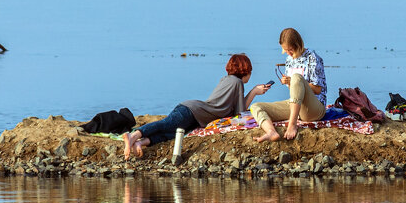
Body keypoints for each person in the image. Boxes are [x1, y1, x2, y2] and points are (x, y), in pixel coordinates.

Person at [123, 54, 270, 159]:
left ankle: (140, 142)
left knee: (171, 134)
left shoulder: (226, 79)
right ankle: (134, 135)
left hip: (195, 116)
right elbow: (240, 113)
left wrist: (253, 92)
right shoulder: (237, 83)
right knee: (166, 124)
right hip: (191, 111)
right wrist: (254, 92)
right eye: (250, 71)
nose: (250, 75)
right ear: (245, 71)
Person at [250, 28, 327, 142]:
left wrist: (295, 81)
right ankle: (271, 132)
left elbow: (317, 90)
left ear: (298, 45)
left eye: (290, 49)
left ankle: (292, 125)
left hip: (314, 109)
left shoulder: (312, 58)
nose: (288, 53)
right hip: (296, 106)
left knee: (296, 77)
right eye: (285, 50)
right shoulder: (289, 60)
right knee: (256, 106)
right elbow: (295, 92)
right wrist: (288, 83)